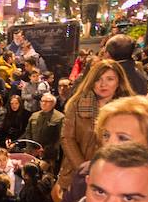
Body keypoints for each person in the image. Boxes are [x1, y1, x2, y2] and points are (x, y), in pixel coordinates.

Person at [57, 59, 134, 191]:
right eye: (98, 79)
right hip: (77, 174)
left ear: (119, 82)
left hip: (114, 177)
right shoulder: (76, 103)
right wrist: (85, 169)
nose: (103, 84)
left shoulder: (130, 109)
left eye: (110, 79)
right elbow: (67, 138)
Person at [19, 92, 64, 170]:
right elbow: (28, 132)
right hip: (32, 152)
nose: (43, 103)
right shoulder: (34, 115)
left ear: (53, 103)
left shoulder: (60, 117)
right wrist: (30, 148)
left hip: (49, 155)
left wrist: (45, 151)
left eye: (46, 101)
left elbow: (59, 138)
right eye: (42, 101)